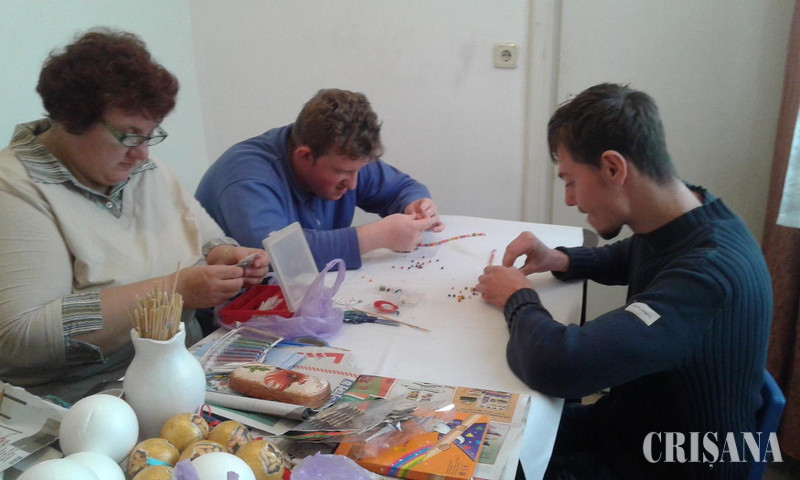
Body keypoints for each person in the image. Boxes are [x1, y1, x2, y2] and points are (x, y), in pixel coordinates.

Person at [475, 83, 772, 479]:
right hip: (631, 428)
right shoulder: (686, 215)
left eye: (570, 181)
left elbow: (560, 366)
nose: (569, 200)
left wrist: (518, 297)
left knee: (482, 459)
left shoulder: (708, 275)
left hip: (672, 465)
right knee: (482, 429)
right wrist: (560, 259)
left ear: (613, 168)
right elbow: (631, 254)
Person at [0, 28, 269, 403]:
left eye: (150, 135)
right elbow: (21, 337)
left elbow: (206, 241)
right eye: (129, 135)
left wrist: (226, 257)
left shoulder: (144, 171)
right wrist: (173, 291)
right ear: (73, 120)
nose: (143, 153)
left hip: (184, 370)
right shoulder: (15, 188)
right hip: (89, 401)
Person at [195, 88, 444, 270]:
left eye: (359, 170)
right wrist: (375, 237)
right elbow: (278, 256)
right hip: (228, 314)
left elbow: (402, 188)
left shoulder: (344, 157)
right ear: (305, 156)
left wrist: (416, 204)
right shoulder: (246, 178)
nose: (353, 184)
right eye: (343, 173)